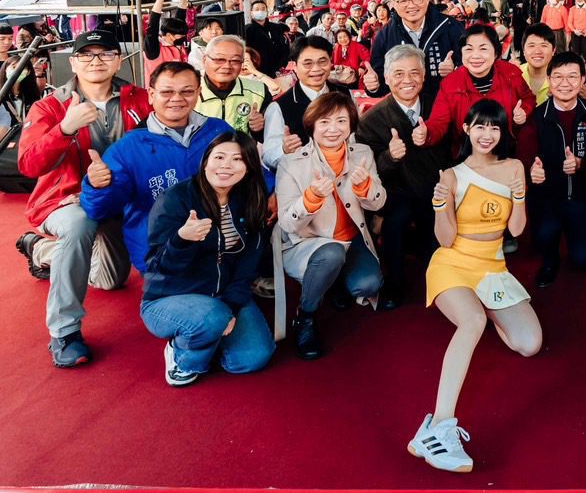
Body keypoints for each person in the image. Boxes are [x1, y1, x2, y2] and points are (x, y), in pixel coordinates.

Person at [409, 100, 540, 474]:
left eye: (495, 128)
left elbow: (516, 230)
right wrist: (439, 207)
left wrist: (519, 196)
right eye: (479, 127)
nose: (487, 135)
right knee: (471, 323)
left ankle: (485, 310)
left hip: (492, 269)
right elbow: (445, 240)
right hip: (453, 264)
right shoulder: (451, 175)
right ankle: (439, 426)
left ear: (503, 133)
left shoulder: (514, 167)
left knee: (528, 344)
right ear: (466, 128)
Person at [13, 30, 150, 367]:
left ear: (119, 59)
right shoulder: (50, 106)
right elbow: (29, 165)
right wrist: (65, 129)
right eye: (86, 55)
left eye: (105, 54)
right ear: (73, 62)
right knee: (77, 225)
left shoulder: (141, 98)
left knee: (111, 280)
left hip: (121, 200)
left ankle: (42, 249)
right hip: (67, 201)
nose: (96, 61)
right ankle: (65, 331)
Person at [139, 132, 275, 386]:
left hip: (223, 294)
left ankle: (209, 333)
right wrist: (182, 240)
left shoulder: (250, 200)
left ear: (248, 167)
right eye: (219, 157)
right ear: (205, 161)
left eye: (237, 159)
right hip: (170, 297)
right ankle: (182, 355)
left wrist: (232, 307)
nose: (226, 165)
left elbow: (247, 265)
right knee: (212, 319)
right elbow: (158, 268)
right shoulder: (176, 199)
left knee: (252, 358)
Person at [80, 62, 234, 278]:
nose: (177, 98)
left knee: (244, 308)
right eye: (167, 92)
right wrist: (97, 186)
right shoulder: (127, 148)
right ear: (151, 95)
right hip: (163, 256)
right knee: (209, 311)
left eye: (187, 91)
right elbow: (99, 210)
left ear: (198, 93)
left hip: (222, 247)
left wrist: (271, 190)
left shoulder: (219, 130)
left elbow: (250, 174)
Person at [276, 91, 385, 358]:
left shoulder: (363, 153)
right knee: (331, 254)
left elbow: (379, 203)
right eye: (324, 122)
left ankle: (335, 280)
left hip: (351, 240)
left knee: (369, 284)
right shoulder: (291, 162)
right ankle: (306, 316)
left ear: (351, 125)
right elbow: (287, 223)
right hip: (310, 244)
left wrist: (365, 189)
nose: (333, 129)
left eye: (341, 121)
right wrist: (311, 198)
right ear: (311, 125)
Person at [357, 45, 451, 308]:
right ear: (386, 78)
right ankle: (395, 284)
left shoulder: (438, 104)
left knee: (436, 249)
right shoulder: (371, 119)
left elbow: (453, 147)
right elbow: (369, 169)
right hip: (398, 192)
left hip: (437, 188)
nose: (407, 80)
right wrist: (390, 156)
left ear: (423, 76)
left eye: (414, 73)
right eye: (398, 74)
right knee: (395, 224)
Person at [521, 51, 586, 287]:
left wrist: (581, 164)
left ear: (582, 80)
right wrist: (531, 171)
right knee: (544, 237)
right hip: (547, 197)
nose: (565, 84)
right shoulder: (536, 116)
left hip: (583, 196)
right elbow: (525, 155)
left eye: (572, 77)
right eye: (558, 77)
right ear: (548, 80)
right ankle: (549, 259)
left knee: (584, 259)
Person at [424, 23, 536, 149]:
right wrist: (426, 133)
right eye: (469, 49)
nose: (475, 56)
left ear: (495, 53)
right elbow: (438, 122)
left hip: (507, 151)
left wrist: (524, 112)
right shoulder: (450, 83)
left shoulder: (511, 74)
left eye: (483, 49)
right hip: (467, 154)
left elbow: (529, 98)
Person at [370, 0, 464, 105]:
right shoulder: (385, 36)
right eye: (403, 0)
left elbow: (470, 69)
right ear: (393, 4)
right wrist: (374, 86)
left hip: (445, 107)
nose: (411, 5)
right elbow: (380, 80)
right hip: (405, 113)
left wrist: (454, 71)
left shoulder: (450, 27)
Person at [197, 34, 284, 171]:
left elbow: (269, 139)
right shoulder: (189, 91)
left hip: (242, 166)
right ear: (204, 60)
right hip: (197, 165)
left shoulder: (258, 90)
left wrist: (259, 128)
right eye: (219, 59)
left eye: (235, 61)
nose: (227, 66)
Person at [245, 0, 289, 76]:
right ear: (251, 13)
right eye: (257, 9)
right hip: (258, 71)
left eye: (263, 9)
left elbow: (284, 47)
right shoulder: (247, 30)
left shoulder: (277, 28)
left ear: (266, 12)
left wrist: (283, 64)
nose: (260, 11)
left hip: (278, 70)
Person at [518, 22, 556, 105]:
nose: (537, 51)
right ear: (523, 51)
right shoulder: (513, 74)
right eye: (531, 46)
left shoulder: (562, 79)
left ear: (553, 50)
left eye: (544, 45)